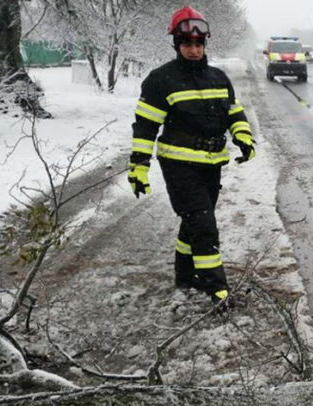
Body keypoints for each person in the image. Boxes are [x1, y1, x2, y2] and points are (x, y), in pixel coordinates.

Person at [127, 6, 256, 305]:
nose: (194, 50)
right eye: (187, 44)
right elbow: (145, 127)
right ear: (177, 45)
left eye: (198, 44)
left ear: (205, 44)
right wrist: (139, 168)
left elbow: (234, 112)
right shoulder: (161, 80)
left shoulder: (218, 78)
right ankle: (218, 290)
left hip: (212, 165)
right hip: (179, 166)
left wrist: (243, 137)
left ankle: (185, 275)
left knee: (194, 222)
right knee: (204, 225)